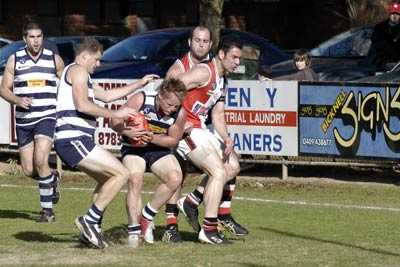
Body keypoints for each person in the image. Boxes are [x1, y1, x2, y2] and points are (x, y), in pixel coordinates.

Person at [54, 37, 158, 249]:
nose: (99, 64)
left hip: (74, 138)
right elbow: (82, 105)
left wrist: (140, 83)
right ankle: (89, 220)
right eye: (97, 59)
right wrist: (116, 113)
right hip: (72, 137)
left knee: (105, 179)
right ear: (84, 56)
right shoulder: (78, 71)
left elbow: (108, 96)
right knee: (122, 173)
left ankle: (91, 232)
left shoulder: (83, 76)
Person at [165, 26, 249, 242]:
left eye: (239, 58)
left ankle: (192, 202)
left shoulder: (222, 79)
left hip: (201, 129)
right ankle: (207, 229)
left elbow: (218, 115)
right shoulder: (205, 71)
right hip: (187, 131)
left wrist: (227, 138)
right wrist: (176, 120)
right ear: (221, 54)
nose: (238, 62)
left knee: (233, 166)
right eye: (234, 57)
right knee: (216, 172)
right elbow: (171, 87)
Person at [0, 21, 64, 222]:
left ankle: (47, 211)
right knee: (29, 169)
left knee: (40, 160)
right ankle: (51, 179)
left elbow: (67, 85)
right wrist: (18, 100)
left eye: (39, 36)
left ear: (43, 37)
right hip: (23, 120)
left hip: (46, 116)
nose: (36, 41)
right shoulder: (15, 59)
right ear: (24, 39)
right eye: (32, 37)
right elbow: (3, 89)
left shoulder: (54, 60)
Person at [111, 78, 187, 247]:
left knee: (175, 177)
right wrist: (127, 131)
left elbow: (173, 140)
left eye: (176, 106)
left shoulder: (179, 113)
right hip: (133, 147)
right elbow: (114, 120)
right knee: (135, 179)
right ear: (160, 96)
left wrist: (152, 137)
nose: (172, 109)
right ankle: (134, 230)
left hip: (156, 148)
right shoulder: (141, 99)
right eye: (169, 104)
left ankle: (146, 215)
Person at [367, 0, 400, 68]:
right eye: (392, 14)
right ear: (389, 14)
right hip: (381, 64)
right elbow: (376, 46)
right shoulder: (379, 28)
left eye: (397, 14)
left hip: (397, 65)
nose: (394, 16)